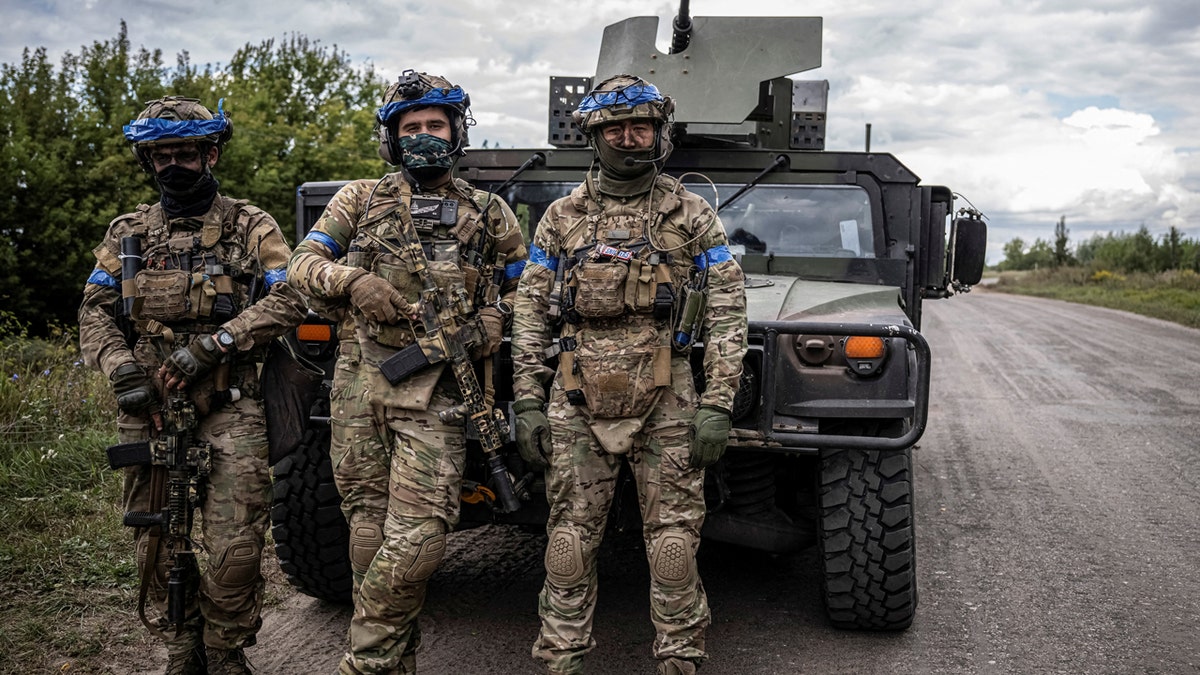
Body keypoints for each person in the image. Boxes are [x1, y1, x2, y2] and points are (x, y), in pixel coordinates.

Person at [287, 69, 528, 675]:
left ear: (456, 132)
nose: (423, 135)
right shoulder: (358, 200)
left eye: (435, 125)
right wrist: (354, 280)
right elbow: (302, 264)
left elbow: (531, 287)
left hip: (441, 392)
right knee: (367, 528)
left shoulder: (489, 212)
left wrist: (494, 320)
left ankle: (362, 659)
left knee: (418, 537)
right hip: (360, 386)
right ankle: (396, 663)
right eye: (411, 127)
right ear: (392, 138)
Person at [510, 75, 749, 675]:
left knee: (673, 543)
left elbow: (726, 310)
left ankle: (679, 656)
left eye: (640, 125)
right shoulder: (560, 218)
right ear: (593, 135)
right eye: (614, 127)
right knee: (568, 541)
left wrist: (717, 403)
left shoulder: (691, 214)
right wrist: (529, 402)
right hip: (576, 398)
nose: (628, 136)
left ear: (659, 132)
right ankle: (561, 656)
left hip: (668, 399)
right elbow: (531, 312)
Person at [78, 96, 308, 674]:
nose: (174, 165)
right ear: (147, 161)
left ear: (211, 154)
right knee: (156, 538)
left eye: (187, 152)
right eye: (162, 155)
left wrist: (215, 345)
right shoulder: (128, 232)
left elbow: (290, 297)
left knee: (236, 545)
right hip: (151, 407)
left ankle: (228, 653)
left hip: (230, 403)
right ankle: (181, 651)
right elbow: (95, 308)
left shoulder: (250, 224)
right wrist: (121, 370)